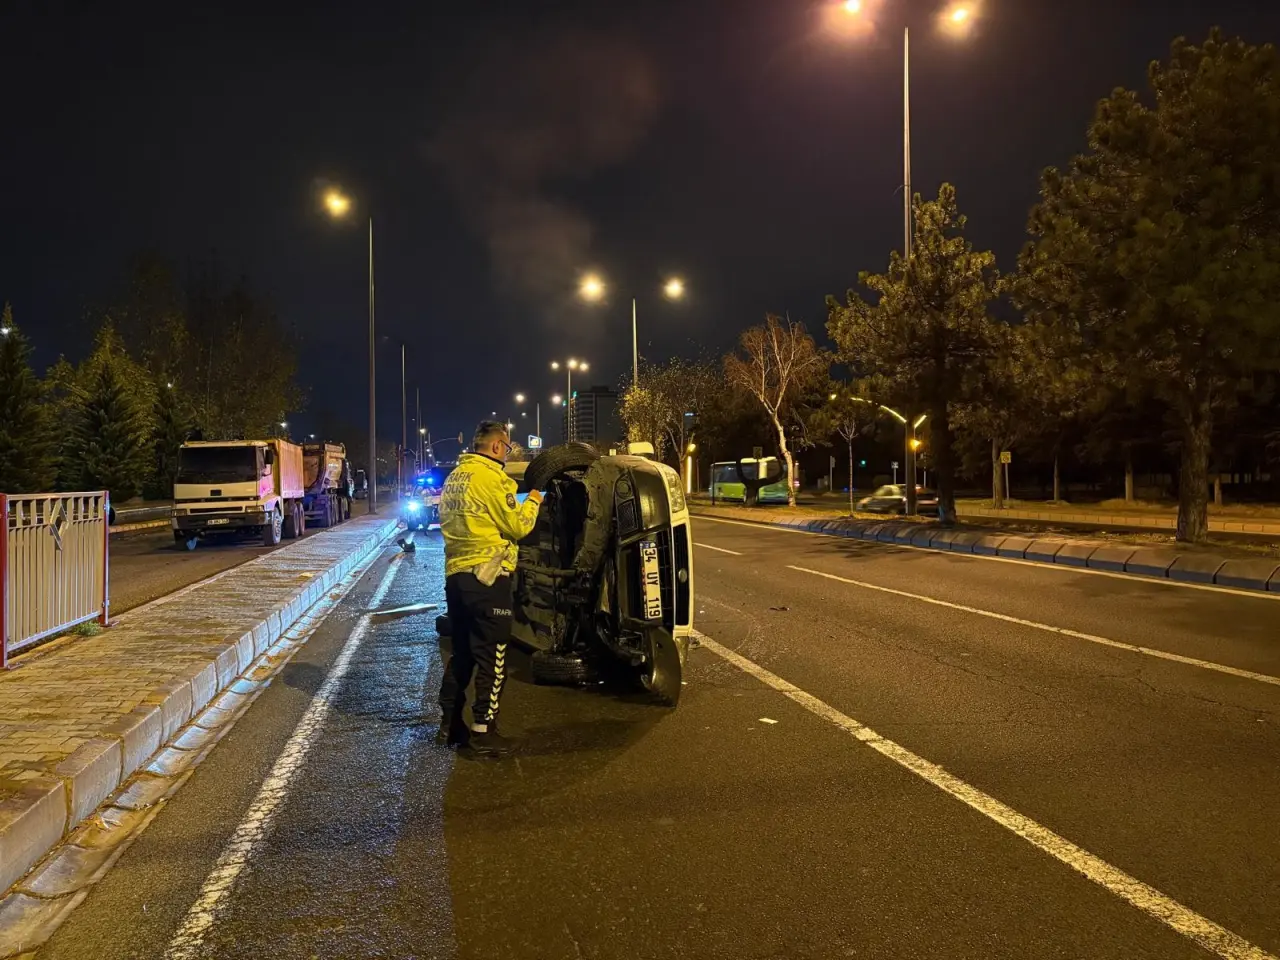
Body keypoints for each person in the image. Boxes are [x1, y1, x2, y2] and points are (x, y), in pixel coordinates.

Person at [436, 420, 542, 757]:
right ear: (498, 447)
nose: (508, 454)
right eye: (508, 448)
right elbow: (518, 525)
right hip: (488, 577)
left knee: (463, 654)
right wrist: (535, 499)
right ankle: (484, 730)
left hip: (457, 578)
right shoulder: (494, 479)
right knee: (494, 657)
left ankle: (450, 725)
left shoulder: (455, 477)